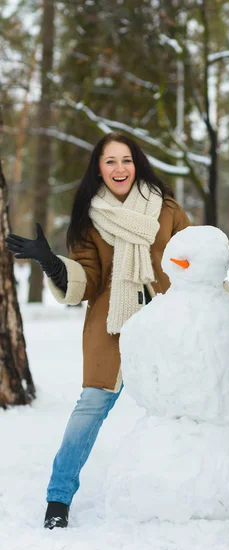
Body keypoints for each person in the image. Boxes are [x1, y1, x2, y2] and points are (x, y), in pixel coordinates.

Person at [6, 132, 191, 529]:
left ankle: (186, 493)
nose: (119, 168)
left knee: (182, 411)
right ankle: (58, 498)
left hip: (166, 323)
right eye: (110, 161)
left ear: (137, 163)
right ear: (99, 169)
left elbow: (194, 264)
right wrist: (51, 264)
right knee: (90, 409)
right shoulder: (89, 218)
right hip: (112, 326)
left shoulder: (168, 210)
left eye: (126, 160)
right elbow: (87, 282)